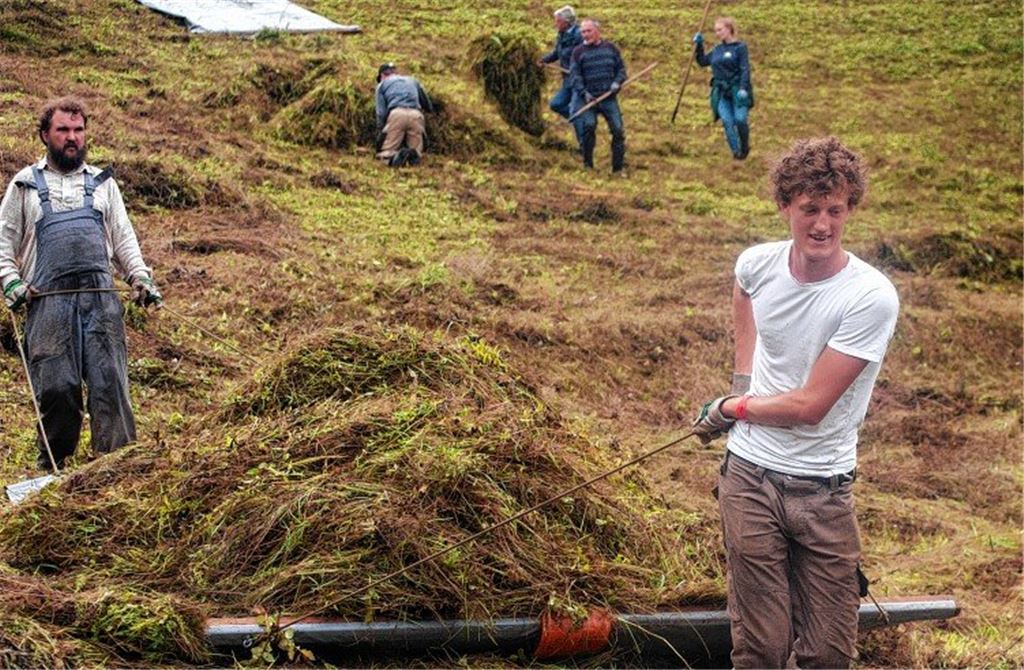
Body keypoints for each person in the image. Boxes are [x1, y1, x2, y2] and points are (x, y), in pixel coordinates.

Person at [692, 137, 899, 669]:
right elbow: (743, 287)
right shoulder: (758, 264)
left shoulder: (868, 297)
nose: (823, 225)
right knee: (761, 647)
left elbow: (811, 407)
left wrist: (732, 408)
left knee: (828, 654)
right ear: (786, 206)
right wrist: (744, 379)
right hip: (750, 482)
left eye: (835, 210)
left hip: (824, 492)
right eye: (809, 209)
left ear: (851, 208)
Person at [0, 96, 162, 472]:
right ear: (44, 135)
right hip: (49, 303)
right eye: (63, 131)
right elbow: (4, 245)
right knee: (57, 389)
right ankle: (53, 466)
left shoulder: (103, 185)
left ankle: (116, 469)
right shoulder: (24, 186)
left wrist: (139, 277)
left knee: (110, 387)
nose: (72, 138)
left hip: (101, 304)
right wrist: (10, 282)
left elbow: (123, 240)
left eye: (78, 130)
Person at [569, 18, 627, 172]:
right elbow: (575, 76)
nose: (585, 35)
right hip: (589, 100)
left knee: (618, 131)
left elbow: (621, 69)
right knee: (588, 127)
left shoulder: (611, 48)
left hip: (608, 98)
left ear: (597, 31)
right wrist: (584, 93)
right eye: (583, 32)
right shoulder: (577, 52)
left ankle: (618, 169)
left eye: (588, 31)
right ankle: (588, 165)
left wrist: (617, 82)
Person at [694, 16, 754, 159]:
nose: (717, 33)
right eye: (716, 31)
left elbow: (745, 69)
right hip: (721, 91)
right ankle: (736, 153)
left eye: (720, 30)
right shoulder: (717, 49)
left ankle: (744, 147)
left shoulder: (740, 48)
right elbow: (703, 62)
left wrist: (743, 88)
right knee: (727, 121)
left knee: (740, 119)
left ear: (729, 29)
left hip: (737, 90)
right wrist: (699, 46)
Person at [374, 62, 433, 167]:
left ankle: (394, 159)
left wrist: (381, 132)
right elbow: (427, 103)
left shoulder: (382, 85)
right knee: (416, 154)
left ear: (382, 75)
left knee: (387, 153)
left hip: (397, 114)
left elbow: (381, 113)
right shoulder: (413, 80)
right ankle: (411, 158)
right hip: (416, 115)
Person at [537, 5, 583, 120]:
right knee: (556, 104)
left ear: (567, 22)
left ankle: (580, 120)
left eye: (558, 21)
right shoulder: (561, 35)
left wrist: (577, 70)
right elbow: (557, 53)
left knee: (575, 109)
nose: (555, 24)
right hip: (568, 80)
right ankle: (580, 118)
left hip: (580, 81)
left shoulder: (579, 35)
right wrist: (543, 60)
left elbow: (585, 56)